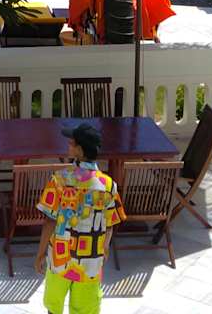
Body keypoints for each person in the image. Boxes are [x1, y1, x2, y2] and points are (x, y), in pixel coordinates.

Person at [35, 124, 125, 314]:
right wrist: (104, 248)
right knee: (85, 307)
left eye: (72, 142)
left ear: (80, 150)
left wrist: (40, 253)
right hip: (91, 261)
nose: (68, 144)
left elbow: (50, 221)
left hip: (60, 257)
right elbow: (110, 223)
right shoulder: (109, 185)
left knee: (54, 303)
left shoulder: (59, 180)